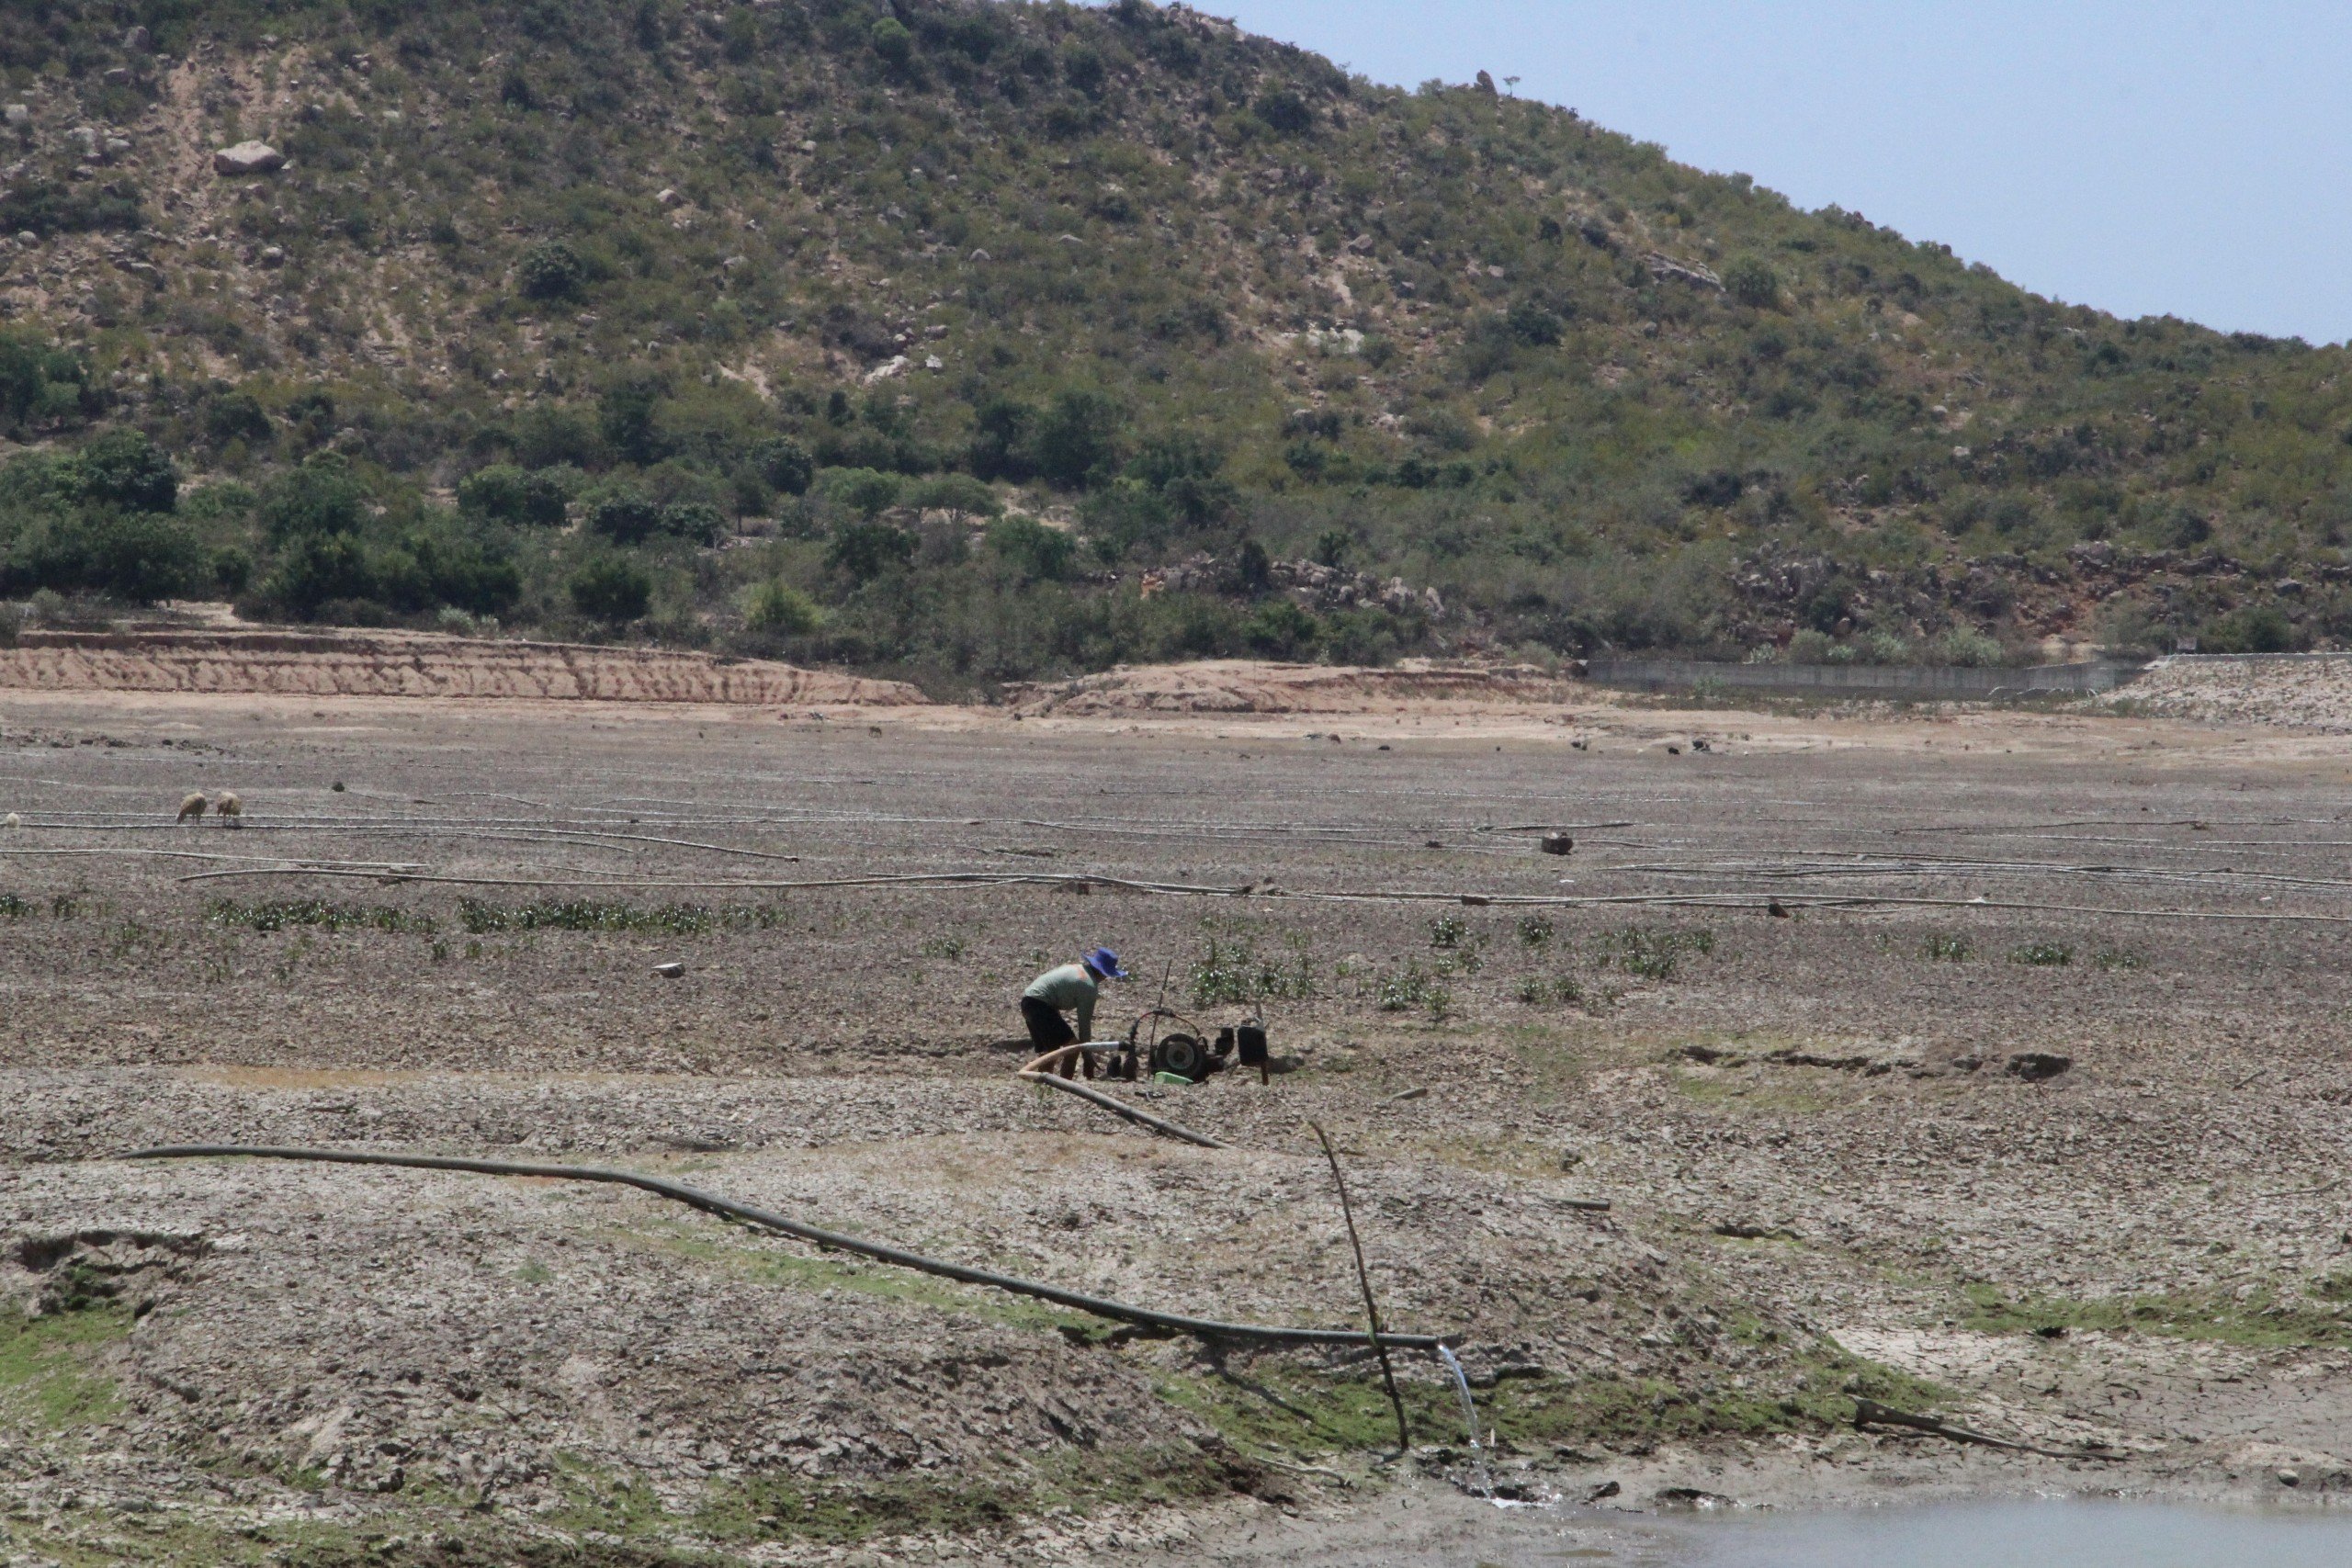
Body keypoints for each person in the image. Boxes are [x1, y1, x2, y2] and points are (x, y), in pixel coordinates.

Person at [1021, 947, 1128, 1077]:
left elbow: (1052, 994)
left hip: (1028, 1001)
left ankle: (1044, 1085)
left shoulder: (1078, 968)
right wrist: (1087, 1056)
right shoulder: (1088, 986)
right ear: (1104, 973)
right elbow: (1084, 1025)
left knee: (1050, 1049)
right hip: (1039, 1004)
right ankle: (1064, 1085)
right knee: (1072, 1047)